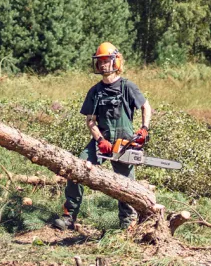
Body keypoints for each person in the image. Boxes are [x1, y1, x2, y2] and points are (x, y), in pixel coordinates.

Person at [52, 42, 151, 230]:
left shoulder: (127, 87)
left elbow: (146, 106)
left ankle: (127, 223)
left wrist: (144, 129)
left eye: (106, 61)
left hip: (125, 143)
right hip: (102, 141)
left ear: (116, 62)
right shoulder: (95, 91)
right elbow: (90, 120)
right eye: (100, 61)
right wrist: (100, 140)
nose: (103, 65)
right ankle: (69, 216)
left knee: (126, 185)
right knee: (77, 168)